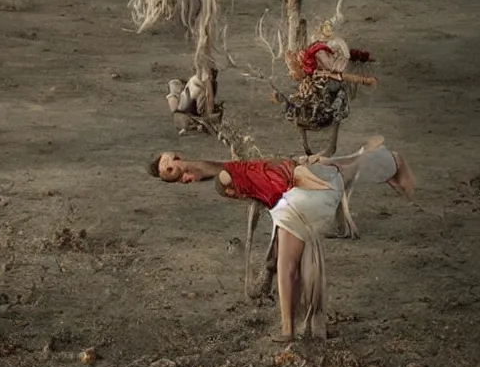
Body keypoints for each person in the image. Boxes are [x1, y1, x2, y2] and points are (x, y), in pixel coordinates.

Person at [149, 138, 414, 341]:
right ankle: (389, 164)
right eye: (172, 176)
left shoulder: (227, 175)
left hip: (298, 195)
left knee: (288, 267)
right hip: (300, 190)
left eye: (173, 168)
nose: (179, 175)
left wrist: (194, 169)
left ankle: (289, 329)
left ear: (178, 160)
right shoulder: (231, 172)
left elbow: (216, 170)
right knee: (342, 168)